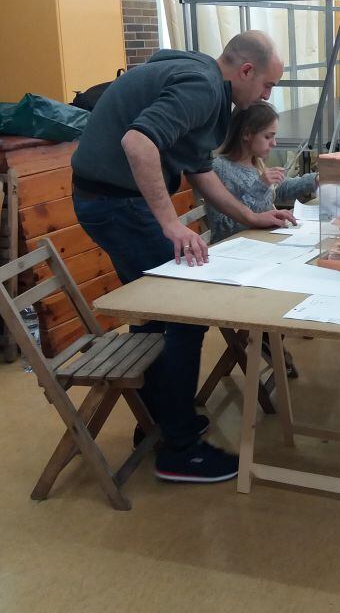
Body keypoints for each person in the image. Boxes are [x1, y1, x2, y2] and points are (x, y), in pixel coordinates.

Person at [70, 31, 295, 484]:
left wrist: (250, 215)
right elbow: (138, 143)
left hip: (111, 200)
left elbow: (199, 169)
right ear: (246, 70)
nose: (266, 96)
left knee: (156, 315)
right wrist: (172, 224)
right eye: (268, 85)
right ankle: (179, 449)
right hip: (116, 204)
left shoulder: (205, 85)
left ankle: (159, 424)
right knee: (183, 314)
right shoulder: (203, 86)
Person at [208, 101, 318, 243]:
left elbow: (280, 188)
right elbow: (224, 226)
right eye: (268, 137)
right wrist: (260, 186)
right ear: (247, 134)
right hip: (236, 249)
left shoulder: (256, 163)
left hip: (264, 241)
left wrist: (314, 180)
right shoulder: (220, 169)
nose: (274, 143)